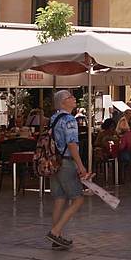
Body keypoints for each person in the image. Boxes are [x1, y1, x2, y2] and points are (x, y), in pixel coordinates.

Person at [46, 90, 91, 250]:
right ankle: (55, 231)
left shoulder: (54, 118)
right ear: (63, 102)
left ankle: (56, 237)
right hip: (66, 162)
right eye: (70, 97)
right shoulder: (70, 119)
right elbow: (72, 144)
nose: (74, 99)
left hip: (54, 162)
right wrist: (81, 166)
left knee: (59, 199)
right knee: (78, 199)